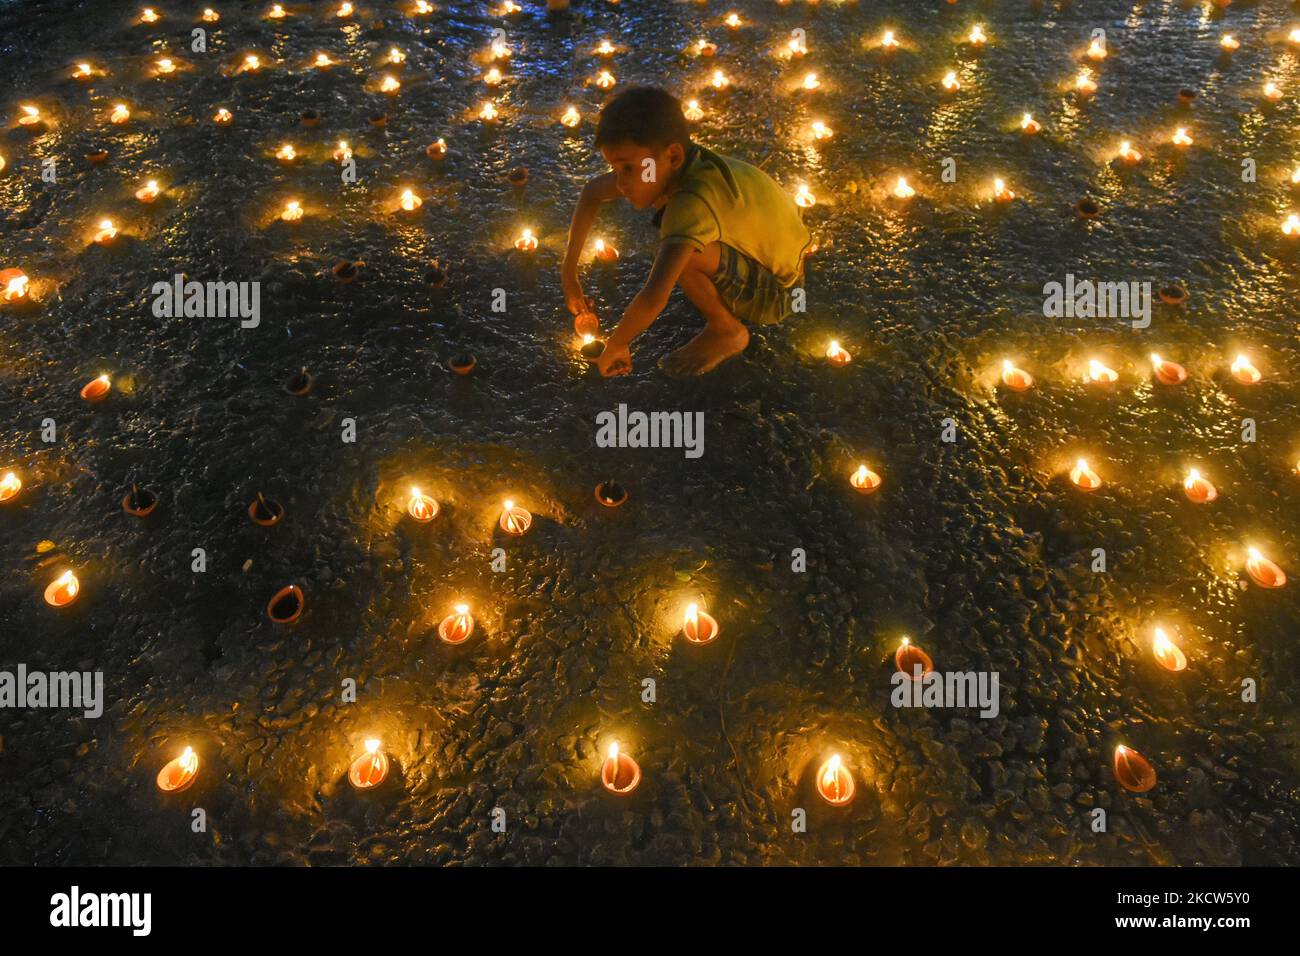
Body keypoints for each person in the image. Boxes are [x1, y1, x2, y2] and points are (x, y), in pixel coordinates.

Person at [561, 86, 812, 377]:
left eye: (628, 169)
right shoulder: (681, 164)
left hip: (780, 293)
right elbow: (592, 193)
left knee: (681, 251)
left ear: (673, 156)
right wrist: (569, 275)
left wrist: (617, 344)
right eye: (615, 169)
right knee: (680, 240)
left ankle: (727, 331)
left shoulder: (691, 203)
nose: (620, 183)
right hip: (783, 257)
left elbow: (655, 295)